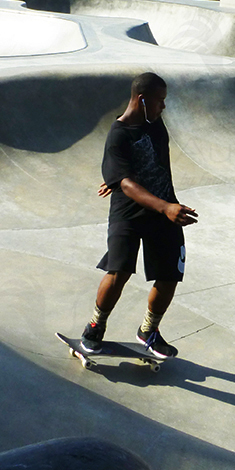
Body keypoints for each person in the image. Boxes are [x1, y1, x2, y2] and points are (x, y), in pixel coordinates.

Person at [80, 72, 198, 360]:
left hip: (163, 209)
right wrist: (118, 179)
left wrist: (117, 176)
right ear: (142, 100)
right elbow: (127, 184)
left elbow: (145, 166)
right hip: (129, 212)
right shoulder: (118, 134)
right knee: (119, 270)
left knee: (169, 274)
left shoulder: (155, 125)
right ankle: (95, 326)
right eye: (160, 101)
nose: (164, 107)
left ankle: (149, 330)